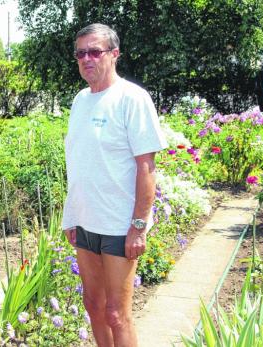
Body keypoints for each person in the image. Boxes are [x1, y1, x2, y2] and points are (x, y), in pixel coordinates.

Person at [62, 24, 167, 347]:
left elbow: (146, 167)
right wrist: (71, 217)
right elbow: (79, 163)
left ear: (115, 54)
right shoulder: (81, 101)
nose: (87, 59)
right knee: (93, 306)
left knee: (117, 314)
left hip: (119, 227)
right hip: (85, 224)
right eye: (81, 53)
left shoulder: (132, 99)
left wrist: (138, 226)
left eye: (95, 51)